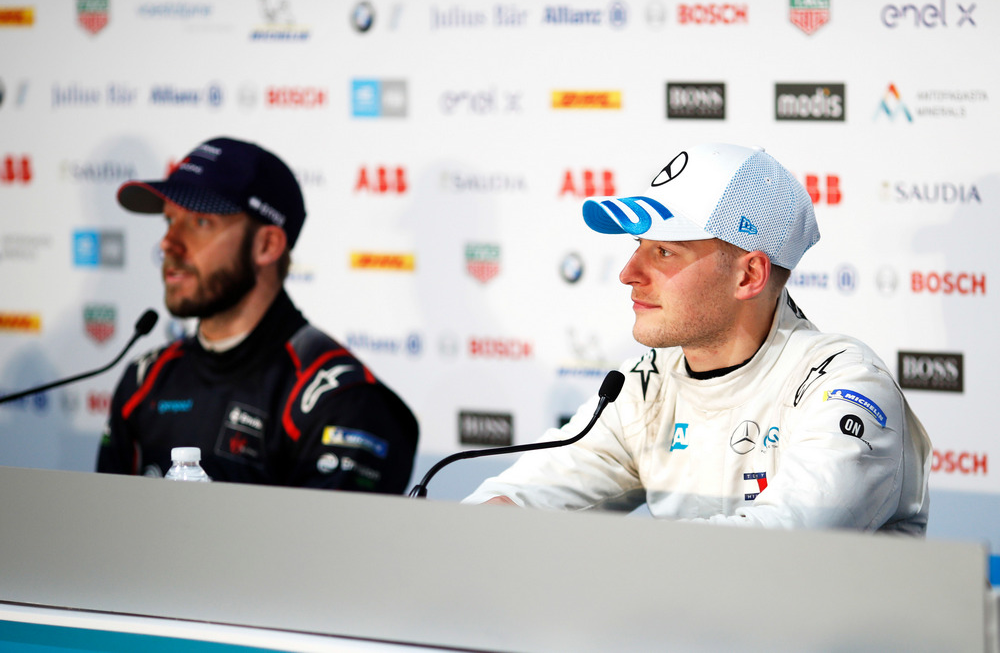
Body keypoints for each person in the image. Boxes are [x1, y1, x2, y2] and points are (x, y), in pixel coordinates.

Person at [465, 142, 931, 534]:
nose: (628, 273)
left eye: (664, 251)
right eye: (638, 246)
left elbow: (783, 547)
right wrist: (497, 517)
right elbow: (514, 497)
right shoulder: (645, 386)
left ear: (748, 275)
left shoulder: (845, 382)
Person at [96, 137, 419, 493]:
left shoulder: (342, 401)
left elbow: (332, 532)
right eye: (169, 220)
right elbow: (104, 521)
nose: (168, 242)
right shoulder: (145, 380)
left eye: (200, 222)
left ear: (267, 245)